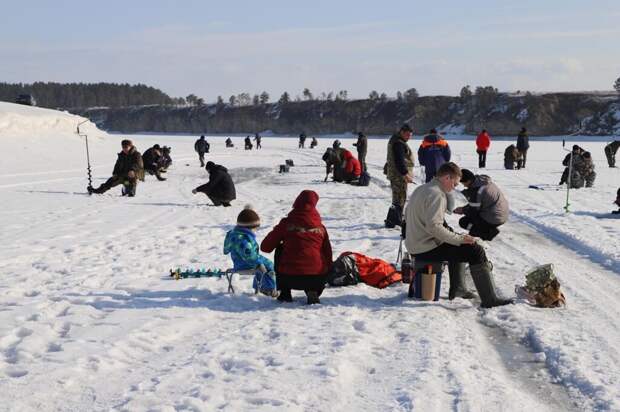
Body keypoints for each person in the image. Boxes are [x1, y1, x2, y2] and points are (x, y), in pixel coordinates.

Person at [404, 162, 513, 308]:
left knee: (459, 243)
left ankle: (459, 289)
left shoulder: (423, 189)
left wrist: (458, 238)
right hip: (424, 247)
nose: (454, 188)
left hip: (416, 243)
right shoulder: (437, 194)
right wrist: (459, 239)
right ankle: (490, 300)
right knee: (475, 251)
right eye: (454, 184)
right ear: (447, 178)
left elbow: (426, 221)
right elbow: (434, 227)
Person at [261, 190, 332, 304]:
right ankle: (312, 290)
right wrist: (326, 273)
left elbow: (265, 247)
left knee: (280, 249)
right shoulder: (321, 228)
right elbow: (328, 254)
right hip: (316, 278)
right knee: (318, 252)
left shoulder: (286, 224)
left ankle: (285, 292)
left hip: (288, 277)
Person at [224, 206, 277, 297]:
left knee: (265, 264)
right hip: (245, 264)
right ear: (249, 227)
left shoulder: (235, 235)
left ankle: (260, 286)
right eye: (255, 228)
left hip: (239, 262)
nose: (255, 230)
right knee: (268, 266)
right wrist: (258, 264)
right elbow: (250, 256)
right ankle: (269, 289)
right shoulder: (243, 240)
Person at [454, 169, 509, 241]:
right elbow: (476, 204)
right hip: (503, 213)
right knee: (473, 217)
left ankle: (488, 233)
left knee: (464, 222)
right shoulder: (482, 181)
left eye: (463, 183)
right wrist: (464, 208)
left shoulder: (476, 190)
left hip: (495, 217)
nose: (464, 186)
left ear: (468, 181)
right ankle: (484, 229)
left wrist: (462, 210)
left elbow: (473, 211)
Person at [384, 123, 414, 228]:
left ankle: (392, 220)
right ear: (401, 132)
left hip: (395, 174)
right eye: (407, 134)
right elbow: (399, 161)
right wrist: (405, 174)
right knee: (400, 198)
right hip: (399, 175)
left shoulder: (395, 140)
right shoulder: (399, 143)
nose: (409, 137)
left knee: (397, 198)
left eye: (410, 135)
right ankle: (394, 221)